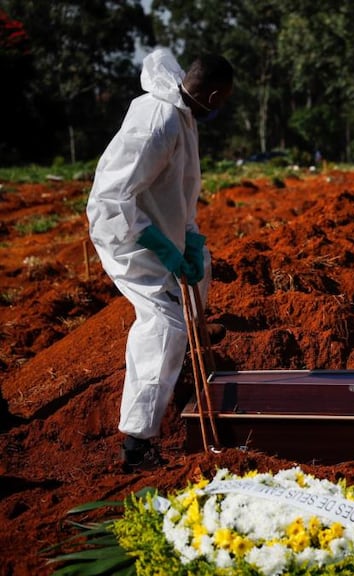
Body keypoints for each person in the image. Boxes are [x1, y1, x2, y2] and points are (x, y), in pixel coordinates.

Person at [87, 48, 233, 472]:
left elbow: (179, 190)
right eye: (222, 100)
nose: (221, 108)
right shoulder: (157, 120)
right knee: (164, 322)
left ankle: (183, 364)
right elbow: (112, 198)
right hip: (125, 233)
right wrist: (160, 245)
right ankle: (137, 441)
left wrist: (188, 239)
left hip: (156, 229)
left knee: (200, 268)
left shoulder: (183, 115)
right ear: (211, 93)